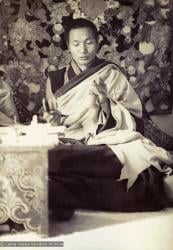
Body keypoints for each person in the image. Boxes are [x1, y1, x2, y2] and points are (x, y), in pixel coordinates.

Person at [43, 18, 173, 220]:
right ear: (68, 46)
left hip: (106, 140)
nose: (83, 50)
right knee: (52, 153)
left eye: (89, 43)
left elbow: (134, 119)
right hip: (70, 141)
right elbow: (54, 122)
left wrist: (105, 102)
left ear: (98, 42)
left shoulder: (111, 73)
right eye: (76, 44)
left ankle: (57, 190)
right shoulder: (55, 79)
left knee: (136, 151)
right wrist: (52, 120)